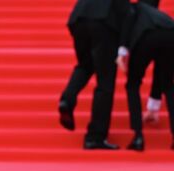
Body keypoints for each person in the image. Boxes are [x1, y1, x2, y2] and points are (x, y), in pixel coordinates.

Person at [58, 0, 131, 149]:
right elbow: (126, 13)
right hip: (103, 22)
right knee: (105, 82)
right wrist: (123, 48)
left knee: (85, 65)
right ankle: (95, 136)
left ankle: (67, 99)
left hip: (78, 19)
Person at [116, 1, 174, 151]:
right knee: (168, 85)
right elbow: (158, 74)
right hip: (170, 34)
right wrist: (153, 107)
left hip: (145, 36)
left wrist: (122, 51)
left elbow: (128, 21)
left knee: (132, 84)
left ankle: (138, 137)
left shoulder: (133, 8)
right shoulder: (160, 15)